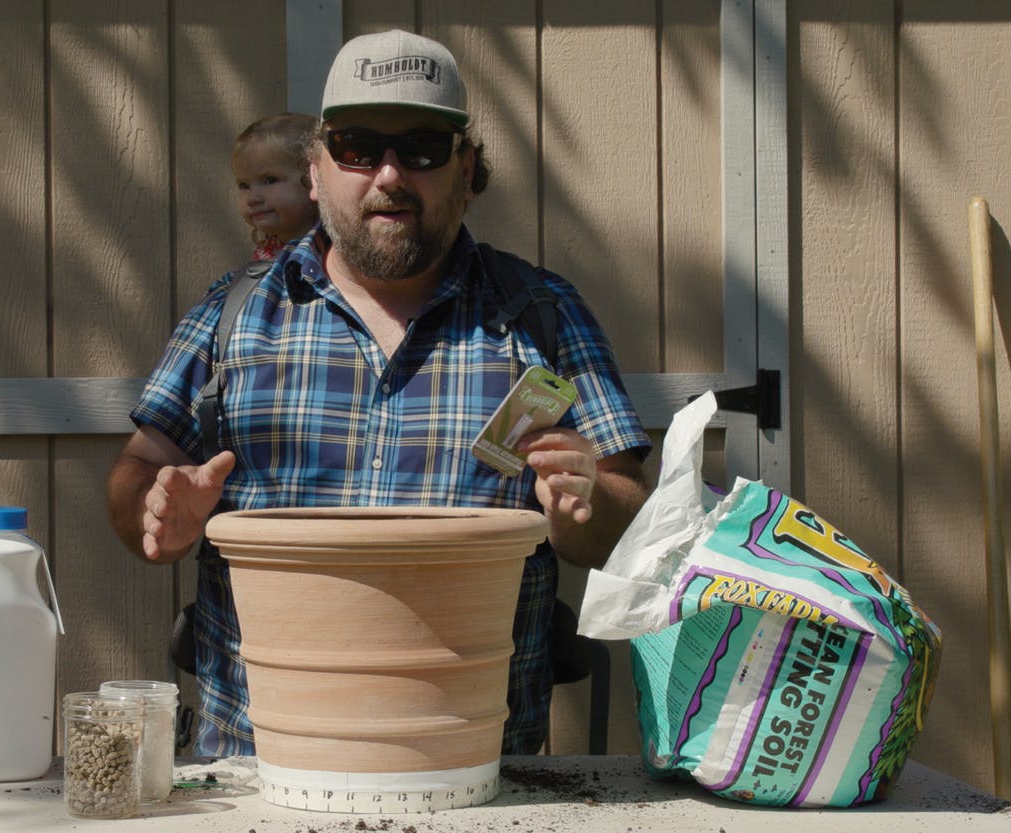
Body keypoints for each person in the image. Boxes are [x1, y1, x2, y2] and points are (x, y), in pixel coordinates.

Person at [108, 28, 652, 756]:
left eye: (423, 147)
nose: (390, 175)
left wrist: (584, 500)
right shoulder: (232, 315)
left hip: (474, 778)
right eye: (359, 146)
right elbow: (138, 473)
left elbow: (622, 516)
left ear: (467, 169)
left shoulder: (542, 316)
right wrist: (155, 508)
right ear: (316, 170)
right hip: (259, 775)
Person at [231, 112, 320, 261]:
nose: (252, 198)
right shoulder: (268, 251)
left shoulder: (334, 255)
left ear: (314, 179)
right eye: (244, 185)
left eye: (269, 180)